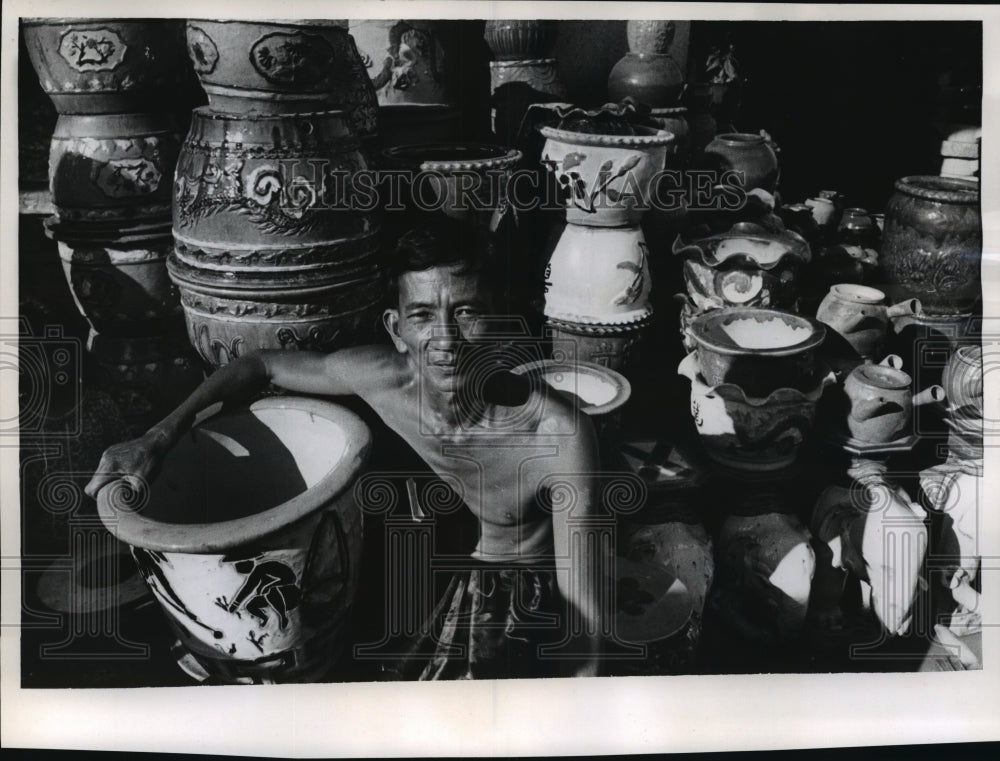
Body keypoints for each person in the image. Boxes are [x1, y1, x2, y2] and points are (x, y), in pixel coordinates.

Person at [85, 217, 605, 679]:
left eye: (467, 311)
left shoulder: (556, 438)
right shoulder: (382, 377)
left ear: (500, 320)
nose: (446, 339)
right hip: (434, 561)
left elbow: (584, 624)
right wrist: (157, 436)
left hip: (515, 599)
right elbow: (258, 366)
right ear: (395, 330)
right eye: (423, 315)